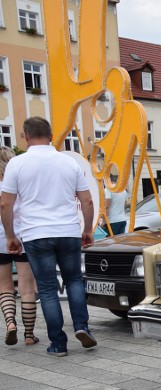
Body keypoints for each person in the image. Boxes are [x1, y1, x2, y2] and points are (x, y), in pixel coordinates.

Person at [0, 117, 96, 357]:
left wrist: (11, 235)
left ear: (25, 136)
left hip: (36, 234)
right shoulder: (68, 163)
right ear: (52, 136)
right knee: (74, 280)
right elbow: (87, 200)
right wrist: (86, 231)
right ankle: (82, 327)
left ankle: (58, 344)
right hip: (68, 231)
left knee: (47, 288)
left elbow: (5, 204)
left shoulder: (17, 164)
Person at [0, 147, 37, 347]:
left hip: (0, 241)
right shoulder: (19, 187)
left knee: (5, 287)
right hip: (22, 238)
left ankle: (10, 324)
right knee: (27, 288)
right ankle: (29, 335)